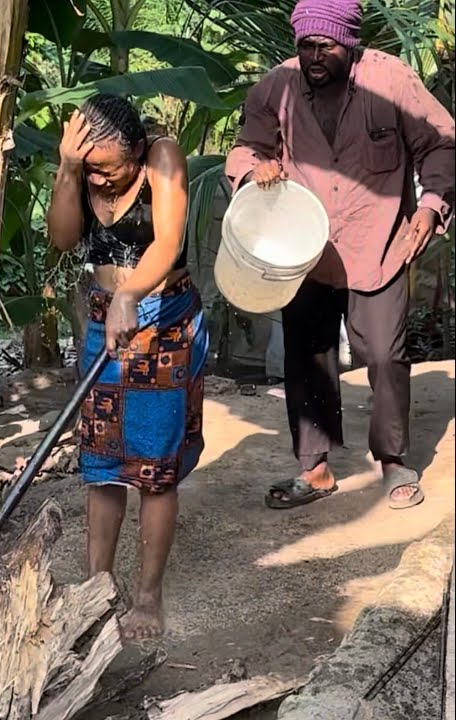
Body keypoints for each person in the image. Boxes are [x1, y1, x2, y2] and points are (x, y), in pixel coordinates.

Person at [226, 0, 455, 511]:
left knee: (383, 354)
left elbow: (441, 144)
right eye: (304, 45)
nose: (313, 56)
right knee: (308, 355)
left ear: (349, 45)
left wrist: (432, 206)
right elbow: (245, 149)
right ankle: (315, 468)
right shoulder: (276, 87)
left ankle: (392, 460)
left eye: (325, 46)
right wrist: (253, 170)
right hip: (302, 248)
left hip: (381, 242)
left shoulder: (390, 80)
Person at [46, 93, 208, 639]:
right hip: (104, 322)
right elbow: (64, 237)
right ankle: (98, 589)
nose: (101, 181)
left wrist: (131, 293)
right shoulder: (81, 170)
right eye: (91, 168)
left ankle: (147, 595)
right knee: (102, 463)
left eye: (109, 170)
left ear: (137, 152)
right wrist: (69, 170)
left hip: (162, 323)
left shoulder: (163, 157)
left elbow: (167, 242)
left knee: (154, 469)